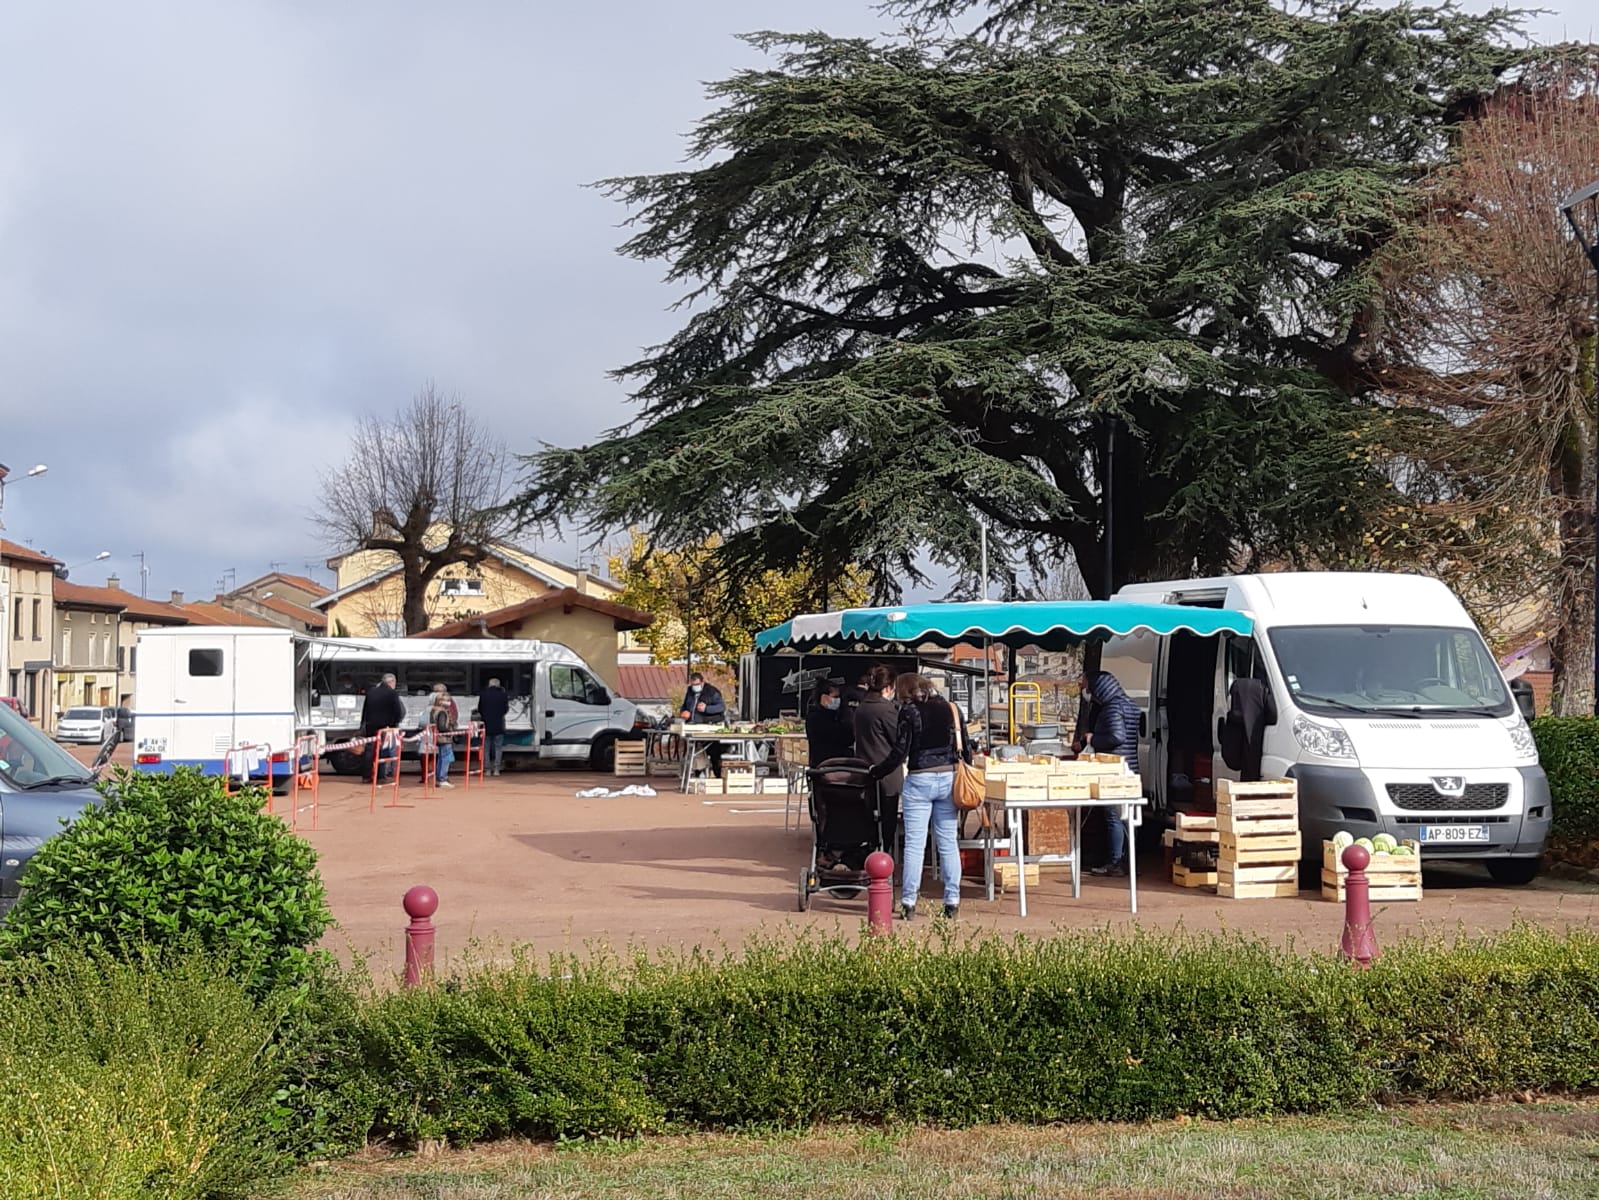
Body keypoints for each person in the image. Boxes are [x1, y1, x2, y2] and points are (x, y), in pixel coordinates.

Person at [869, 674, 968, 920]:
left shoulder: (909, 712)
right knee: (948, 842)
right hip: (949, 778)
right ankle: (952, 901)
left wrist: (877, 771)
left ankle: (909, 902)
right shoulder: (952, 709)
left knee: (915, 844)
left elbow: (900, 751)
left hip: (920, 779)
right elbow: (966, 748)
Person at [1085, 670, 1140, 876]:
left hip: (1114, 770)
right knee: (1128, 817)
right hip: (1130, 766)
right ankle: (1129, 861)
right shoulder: (1130, 704)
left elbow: (1117, 736)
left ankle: (1116, 862)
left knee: (1114, 816)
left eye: (1089, 687)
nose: (1088, 692)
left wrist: (1092, 739)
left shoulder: (1112, 708)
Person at [852, 664, 903, 863]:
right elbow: (899, 739)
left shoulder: (862, 707)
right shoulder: (886, 710)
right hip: (886, 773)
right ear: (888, 687)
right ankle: (882, 860)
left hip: (863, 769)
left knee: (869, 820)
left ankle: (869, 857)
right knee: (887, 822)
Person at [360, 673, 407, 782]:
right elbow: (398, 711)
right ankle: (380, 776)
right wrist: (394, 724)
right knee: (383, 751)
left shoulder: (371, 692)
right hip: (386, 726)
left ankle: (366, 775)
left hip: (370, 725)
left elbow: (365, 710)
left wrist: (362, 724)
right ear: (391, 682)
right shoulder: (392, 693)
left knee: (369, 750)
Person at [679, 671, 727, 776]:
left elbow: (721, 707)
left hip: (709, 726)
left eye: (696, 684)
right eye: (693, 684)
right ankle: (698, 774)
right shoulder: (690, 692)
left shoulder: (712, 692)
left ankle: (717, 775)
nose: (694, 687)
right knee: (697, 753)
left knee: (714, 753)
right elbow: (685, 705)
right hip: (693, 727)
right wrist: (683, 712)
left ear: (702, 682)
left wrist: (706, 709)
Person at [804, 682, 854, 765]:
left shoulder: (835, 716)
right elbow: (844, 738)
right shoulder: (816, 718)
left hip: (833, 763)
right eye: (835, 697)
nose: (838, 700)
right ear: (824, 698)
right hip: (826, 764)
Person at [478, 676, 510, 776]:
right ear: (498, 685)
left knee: (486, 747)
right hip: (498, 724)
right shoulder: (503, 694)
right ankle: (496, 769)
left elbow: (480, 709)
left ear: (489, 684)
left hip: (486, 724)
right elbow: (505, 709)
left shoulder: (483, 694)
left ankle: (487, 770)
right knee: (498, 747)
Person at [429, 691, 457, 788]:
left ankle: (439, 779)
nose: (449, 702)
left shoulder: (433, 711)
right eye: (447, 700)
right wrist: (450, 731)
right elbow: (441, 727)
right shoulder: (442, 712)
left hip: (437, 738)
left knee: (441, 758)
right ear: (440, 701)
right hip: (444, 738)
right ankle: (442, 778)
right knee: (445, 759)